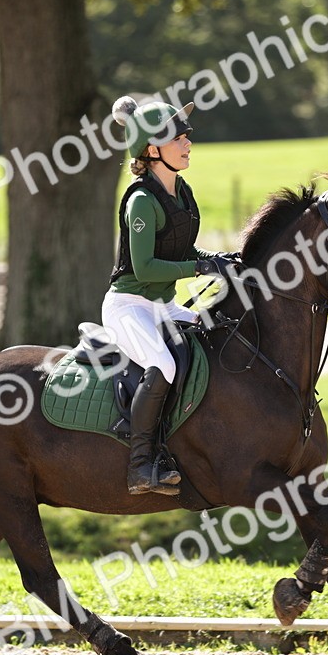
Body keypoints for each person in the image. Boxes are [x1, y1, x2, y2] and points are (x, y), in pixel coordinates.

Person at [105, 95, 239, 497]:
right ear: (151, 150)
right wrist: (198, 269)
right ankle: (140, 466)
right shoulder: (141, 201)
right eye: (176, 138)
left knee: (217, 335)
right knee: (162, 365)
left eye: (185, 136)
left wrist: (220, 260)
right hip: (128, 308)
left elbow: (182, 250)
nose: (187, 143)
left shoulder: (181, 191)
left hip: (163, 307)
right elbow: (145, 268)